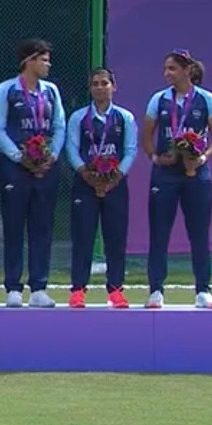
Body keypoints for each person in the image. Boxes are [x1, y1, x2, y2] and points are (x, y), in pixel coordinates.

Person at [142, 49, 212, 309]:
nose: (167, 74)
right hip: (165, 175)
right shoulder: (159, 99)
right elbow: (146, 136)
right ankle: (156, 290)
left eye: (172, 69)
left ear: (187, 70)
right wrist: (156, 158)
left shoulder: (206, 99)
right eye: (165, 69)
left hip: (196, 174)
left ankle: (203, 290)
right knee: (159, 232)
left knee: (199, 233)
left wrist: (202, 158)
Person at [0, 38, 66, 308]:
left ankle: (39, 287)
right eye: (43, 59)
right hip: (16, 167)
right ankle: (13, 286)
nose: (48, 64)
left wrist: (51, 156)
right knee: (13, 226)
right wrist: (19, 157)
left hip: (45, 167)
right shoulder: (6, 90)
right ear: (28, 61)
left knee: (42, 227)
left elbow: (59, 126)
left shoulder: (51, 92)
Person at [64, 67, 137, 308]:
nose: (99, 88)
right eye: (94, 84)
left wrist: (116, 176)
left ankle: (115, 289)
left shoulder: (124, 118)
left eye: (104, 83)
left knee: (115, 238)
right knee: (82, 237)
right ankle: (78, 290)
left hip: (115, 183)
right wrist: (87, 174)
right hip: (85, 184)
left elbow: (130, 150)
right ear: (90, 88)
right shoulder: (78, 117)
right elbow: (72, 149)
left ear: (113, 86)